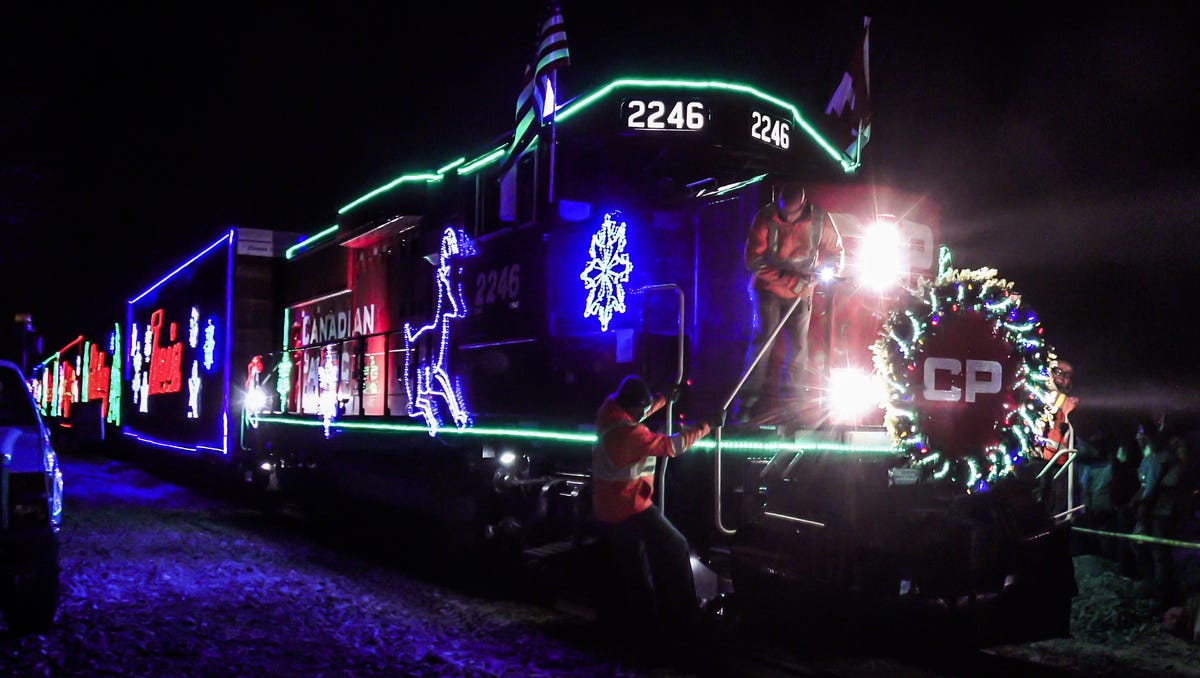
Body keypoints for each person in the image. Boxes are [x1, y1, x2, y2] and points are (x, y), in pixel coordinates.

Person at [591, 374, 711, 641]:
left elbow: (638, 412)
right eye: (641, 408)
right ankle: (688, 617)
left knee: (636, 570)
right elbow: (672, 445)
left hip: (608, 509)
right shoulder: (630, 434)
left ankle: (646, 629)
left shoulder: (608, 413)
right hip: (630, 508)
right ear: (631, 408)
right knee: (676, 546)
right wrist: (706, 426)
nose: (642, 413)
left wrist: (664, 398)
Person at [734, 182, 844, 424]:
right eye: (783, 213)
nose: (787, 218)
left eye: (791, 215)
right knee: (763, 341)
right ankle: (746, 401)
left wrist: (822, 274)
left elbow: (837, 253)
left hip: (801, 294)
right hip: (768, 290)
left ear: (803, 205)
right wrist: (787, 279)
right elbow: (753, 258)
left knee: (798, 347)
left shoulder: (820, 220)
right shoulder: (765, 218)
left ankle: (791, 404)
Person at [1034, 359, 1080, 517]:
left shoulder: (1069, 401)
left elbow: (1072, 415)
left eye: (1067, 375)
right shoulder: (1036, 396)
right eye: (1058, 372)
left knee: (1058, 498)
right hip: (1038, 457)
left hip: (1059, 459)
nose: (1062, 378)